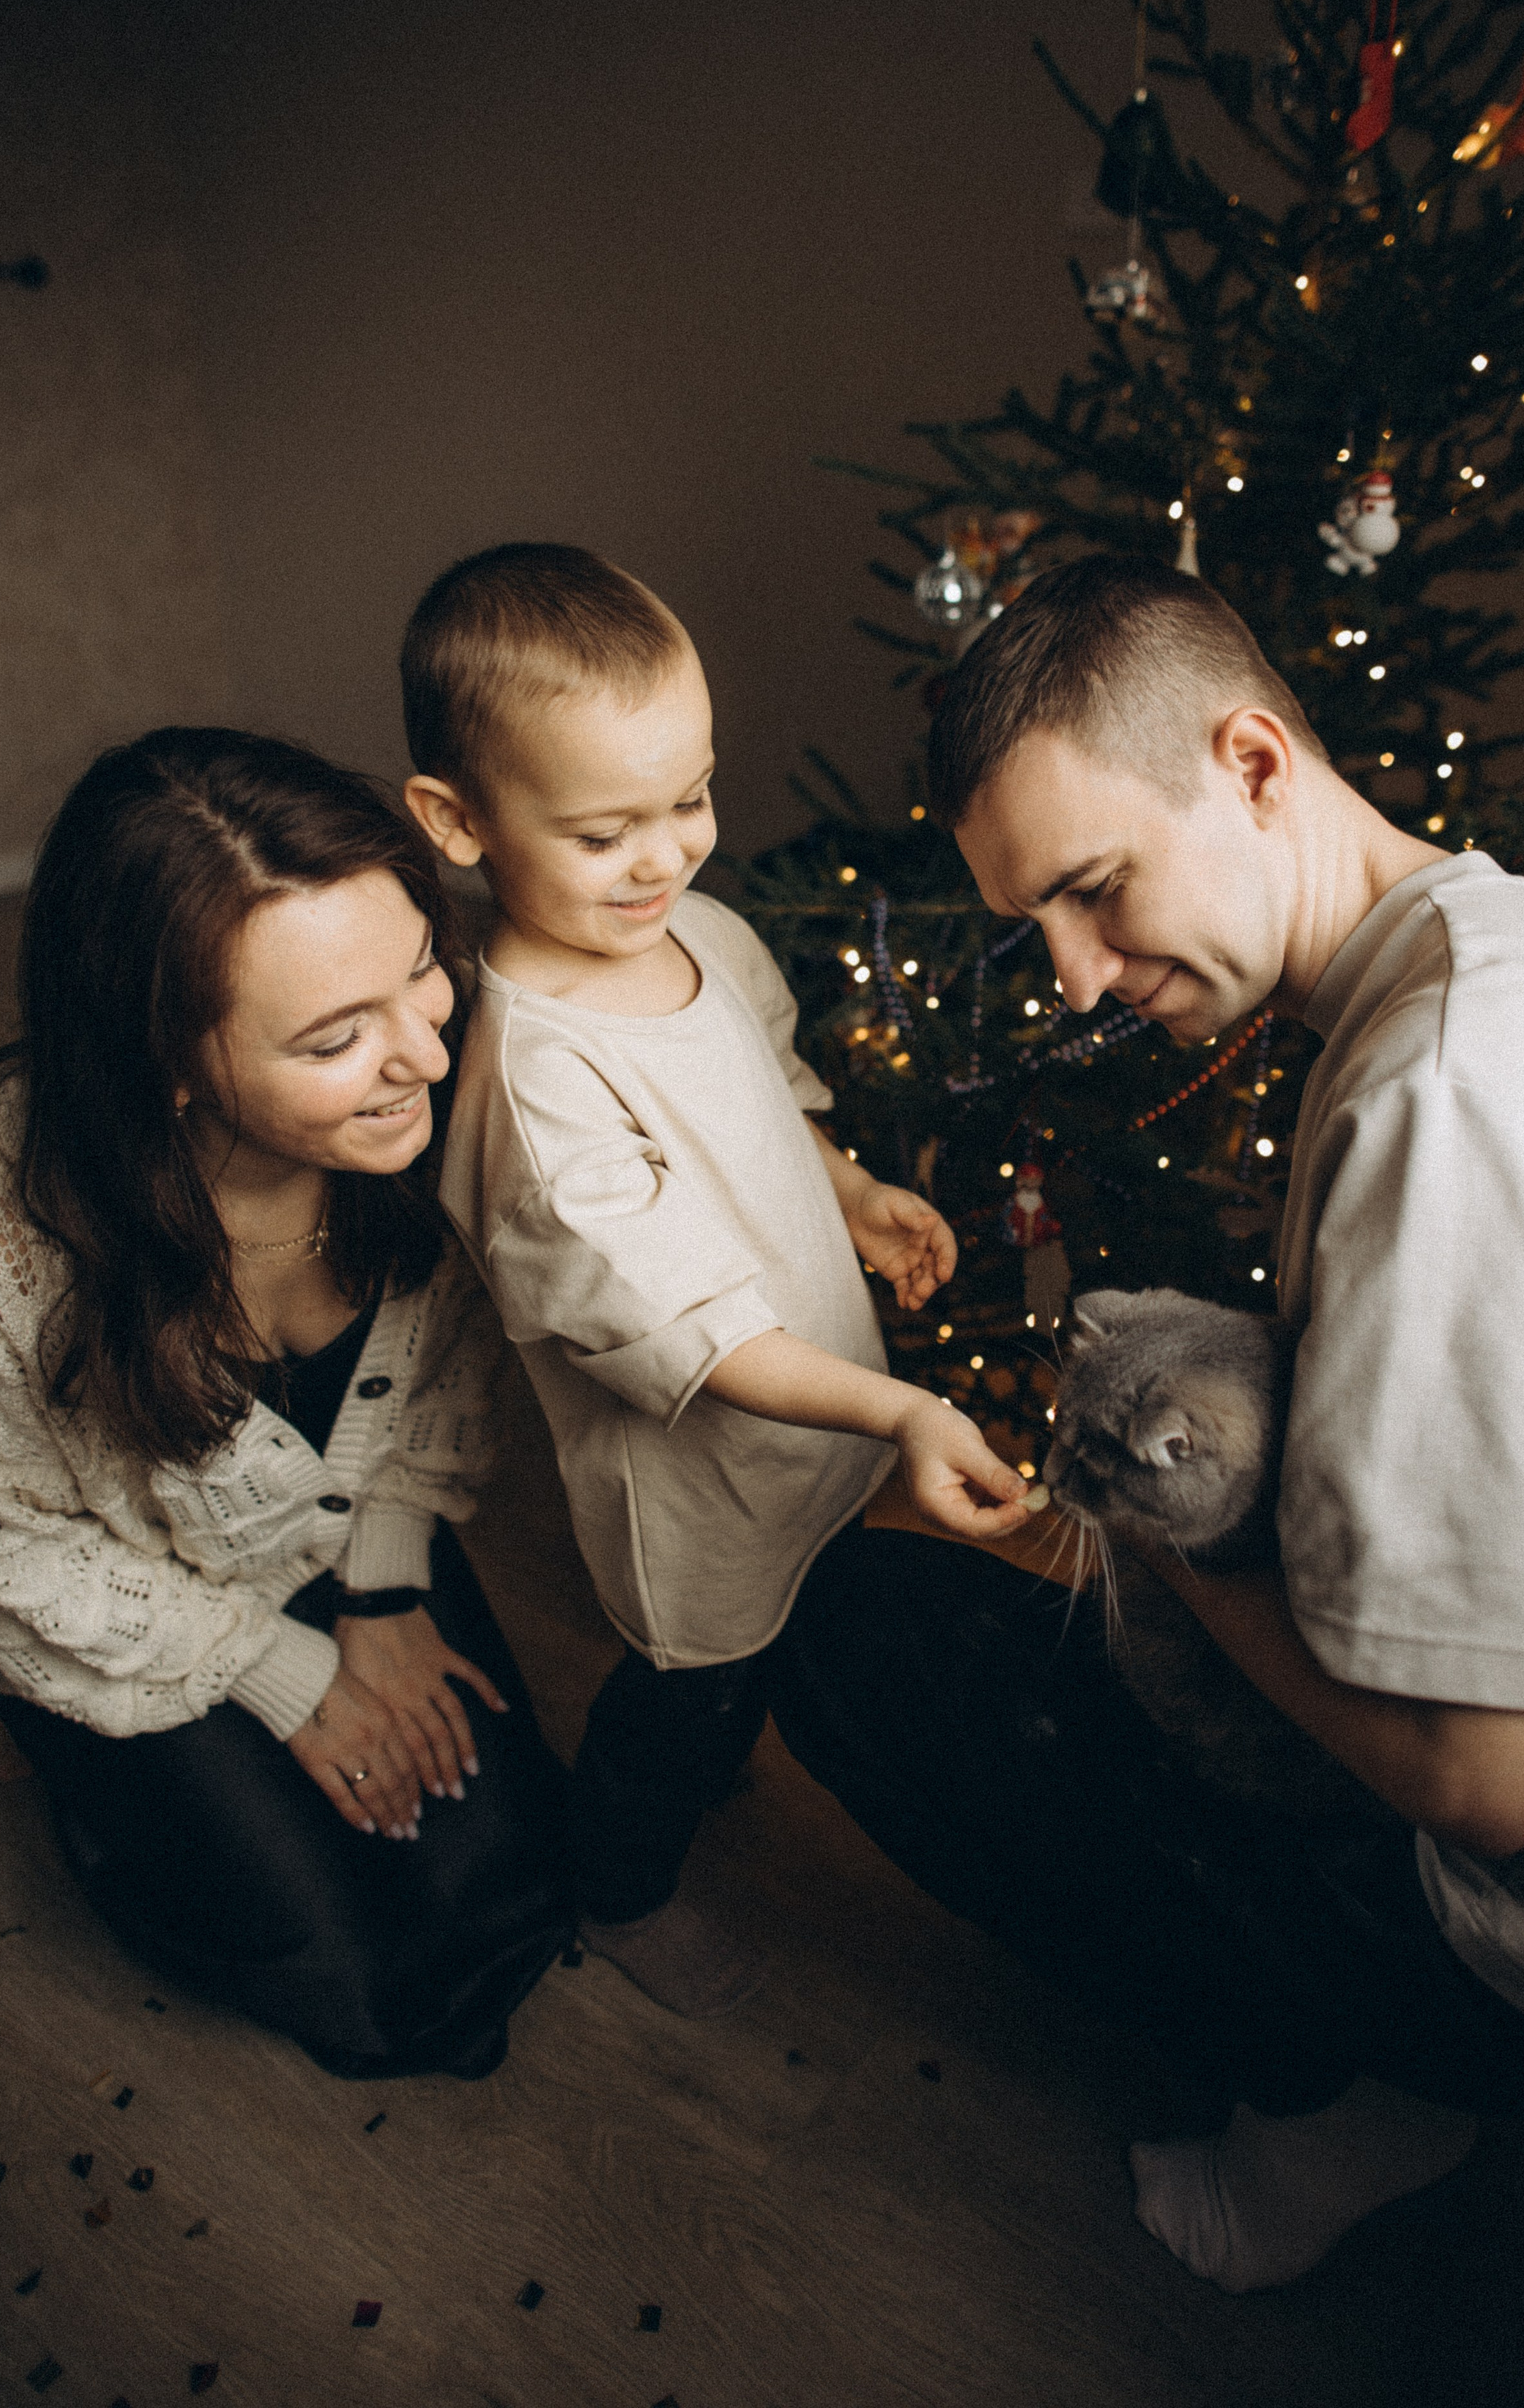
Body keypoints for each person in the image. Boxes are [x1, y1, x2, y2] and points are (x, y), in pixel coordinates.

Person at [764, 552, 1524, 2290]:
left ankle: (1346, 2100)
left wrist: (1144, 1538)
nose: (1066, 978)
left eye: (1092, 887)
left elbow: (1480, 1781)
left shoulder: (1453, 1094)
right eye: (1029, 928)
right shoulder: (1513, 945)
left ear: (1254, 764)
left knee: (849, 1628)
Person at [399, 543, 1031, 2017]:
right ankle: (618, 1888)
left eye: (686, 799)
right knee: (685, 1692)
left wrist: (854, 1190)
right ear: (459, 822)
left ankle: (742, 1721)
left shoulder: (701, 932)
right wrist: (894, 1411)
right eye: (607, 829)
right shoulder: (539, 1092)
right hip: (699, 1485)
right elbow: (692, 1331)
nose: (666, 854)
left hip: (816, 1425)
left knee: (800, 1615)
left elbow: (771, 1092)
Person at [0, 727, 574, 2080]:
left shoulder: (449, 1082)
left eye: (420, 966)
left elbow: (444, 1374)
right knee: (355, 1977)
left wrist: (383, 1588)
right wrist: (276, 1668)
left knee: (510, 1875)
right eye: (332, 1037)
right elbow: (4, 1542)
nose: (421, 1055)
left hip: (341, 1524)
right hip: (119, 1580)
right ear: (166, 1065)